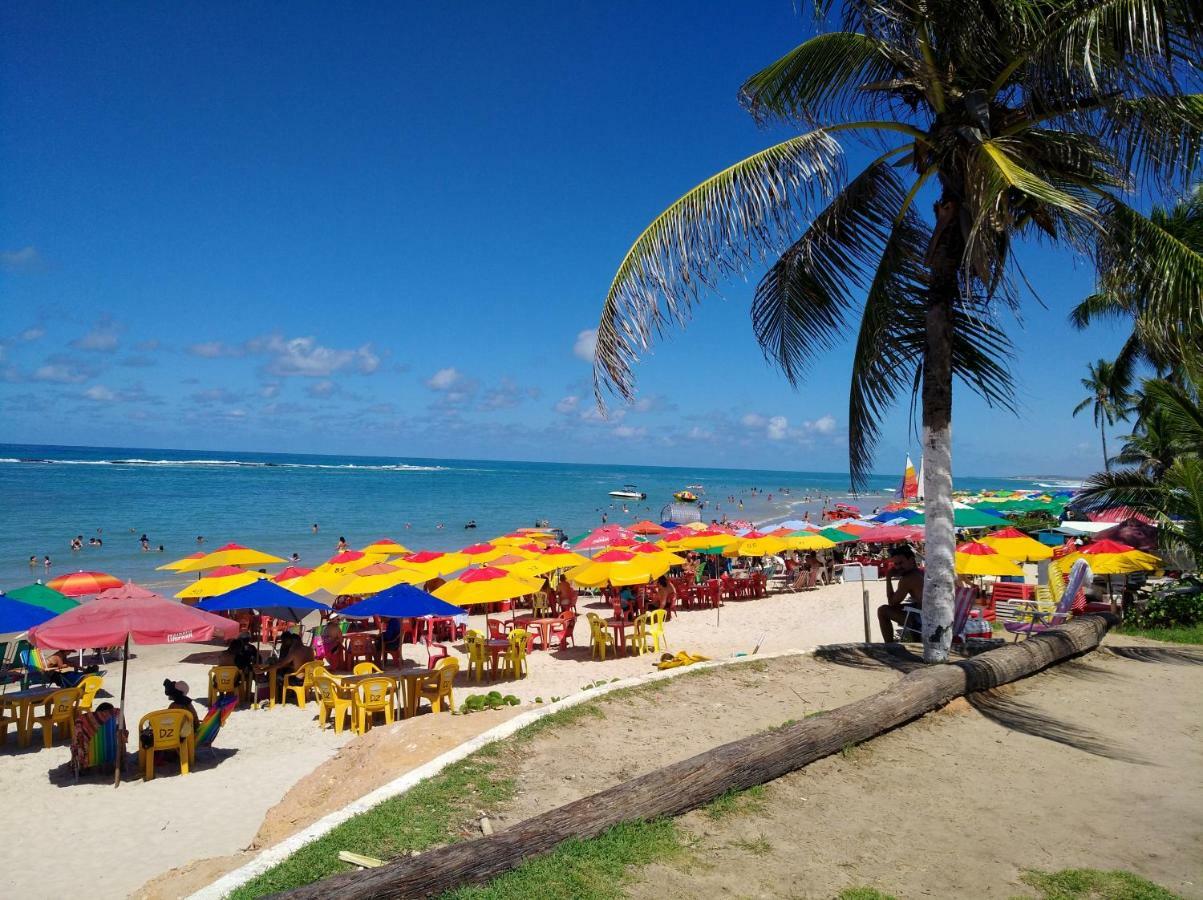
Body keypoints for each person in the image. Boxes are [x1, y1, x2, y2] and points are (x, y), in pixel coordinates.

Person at [877, 545, 924, 642]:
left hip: (924, 619)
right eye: (895, 564)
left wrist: (888, 578)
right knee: (903, 607)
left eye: (901, 563)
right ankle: (916, 639)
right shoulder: (921, 572)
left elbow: (891, 602)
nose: (898, 567)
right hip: (930, 613)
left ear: (911, 560)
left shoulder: (908, 579)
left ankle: (890, 647)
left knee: (882, 610)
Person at [268, 631, 315, 701]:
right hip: (311, 678)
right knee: (281, 672)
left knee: (277, 676)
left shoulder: (294, 651)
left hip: (298, 680)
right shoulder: (310, 650)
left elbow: (282, 664)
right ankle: (285, 695)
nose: (283, 643)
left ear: (293, 642)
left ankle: (279, 698)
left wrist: (264, 669)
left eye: (285, 641)